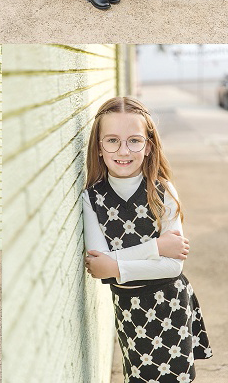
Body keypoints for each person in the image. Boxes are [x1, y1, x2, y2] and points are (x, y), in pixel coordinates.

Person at [82, 97, 212, 383]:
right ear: (99, 148)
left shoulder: (162, 190)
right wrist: (157, 248)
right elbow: (96, 261)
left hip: (171, 305)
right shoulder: (92, 198)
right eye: (112, 140)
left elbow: (172, 267)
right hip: (129, 309)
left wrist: (114, 266)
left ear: (149, 146)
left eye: (134, 141)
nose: (123, 150)